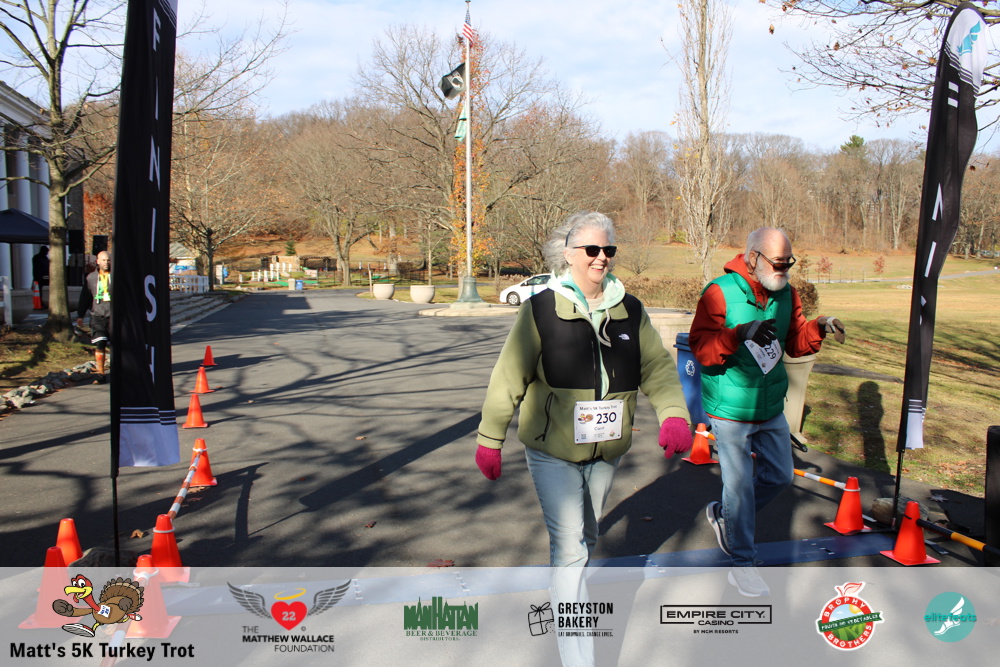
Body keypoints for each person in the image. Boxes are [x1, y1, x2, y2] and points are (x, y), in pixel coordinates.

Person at [475, 211, 691, 666]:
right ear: (568, 254)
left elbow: (655, 367)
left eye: (608, 250)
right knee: (571, 548)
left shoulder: (630, 309)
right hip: (552, 449)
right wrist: (490, 438)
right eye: (592, 249)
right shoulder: (540, 309)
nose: (601, 257)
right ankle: (578, 655)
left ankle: (568, 590)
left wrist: (673, 414)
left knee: (586, 537)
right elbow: (509, 375)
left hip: (607, 450)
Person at [689, 227, 846, 598]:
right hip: (729, 408)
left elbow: (794, 342)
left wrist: (818, 327)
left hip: (770, 404)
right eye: (778, 262)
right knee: (739, 487)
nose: (785, 269)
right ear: (752, 257)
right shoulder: (719, 292)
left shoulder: (787, 293)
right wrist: (738, 334)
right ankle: (742, 563)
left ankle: (727, 516)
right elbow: (701, 348)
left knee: (779, 476)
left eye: (789, 262)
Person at [77, 251, 112, 384]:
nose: (106, 263)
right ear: (97, 261)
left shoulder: (117, 276)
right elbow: (85, 297)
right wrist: (80, 315)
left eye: (108, 260)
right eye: (103, 260)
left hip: (114, 315)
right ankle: (101, 373)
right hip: (97, 315)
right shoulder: (91, 278)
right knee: (100, 342)